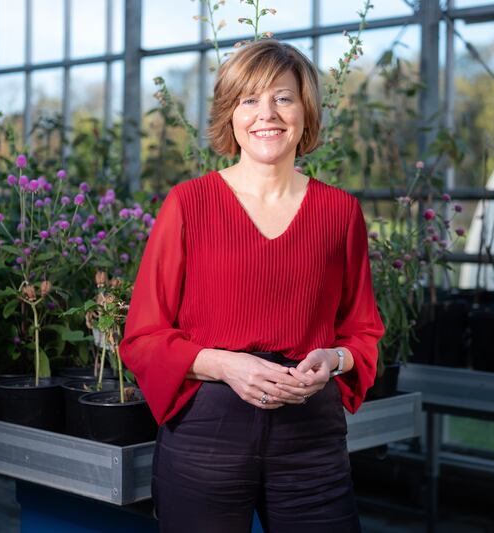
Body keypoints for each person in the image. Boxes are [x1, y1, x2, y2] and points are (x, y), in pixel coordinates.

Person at [120, 39, 384, 533]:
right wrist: (226, 365)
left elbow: (362, 334)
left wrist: (333, 359)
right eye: (249, 99)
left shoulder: (340, 212)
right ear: (230, 114)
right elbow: (143, 336)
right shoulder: (188, 204)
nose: (268, 114)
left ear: (305, 111)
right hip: (207, 431)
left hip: (311, 437)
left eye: (283, 97)